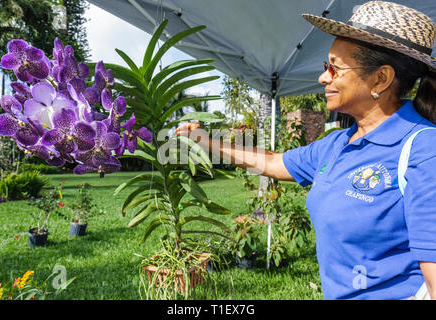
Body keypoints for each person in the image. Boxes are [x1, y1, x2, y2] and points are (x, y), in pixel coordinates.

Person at [175, 1, 436, 300]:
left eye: (334, 68)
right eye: (326, 67)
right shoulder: (339, 143)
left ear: (381, 78)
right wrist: (206, 142)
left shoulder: (424, 150)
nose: (323, 78)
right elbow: (273, 163)